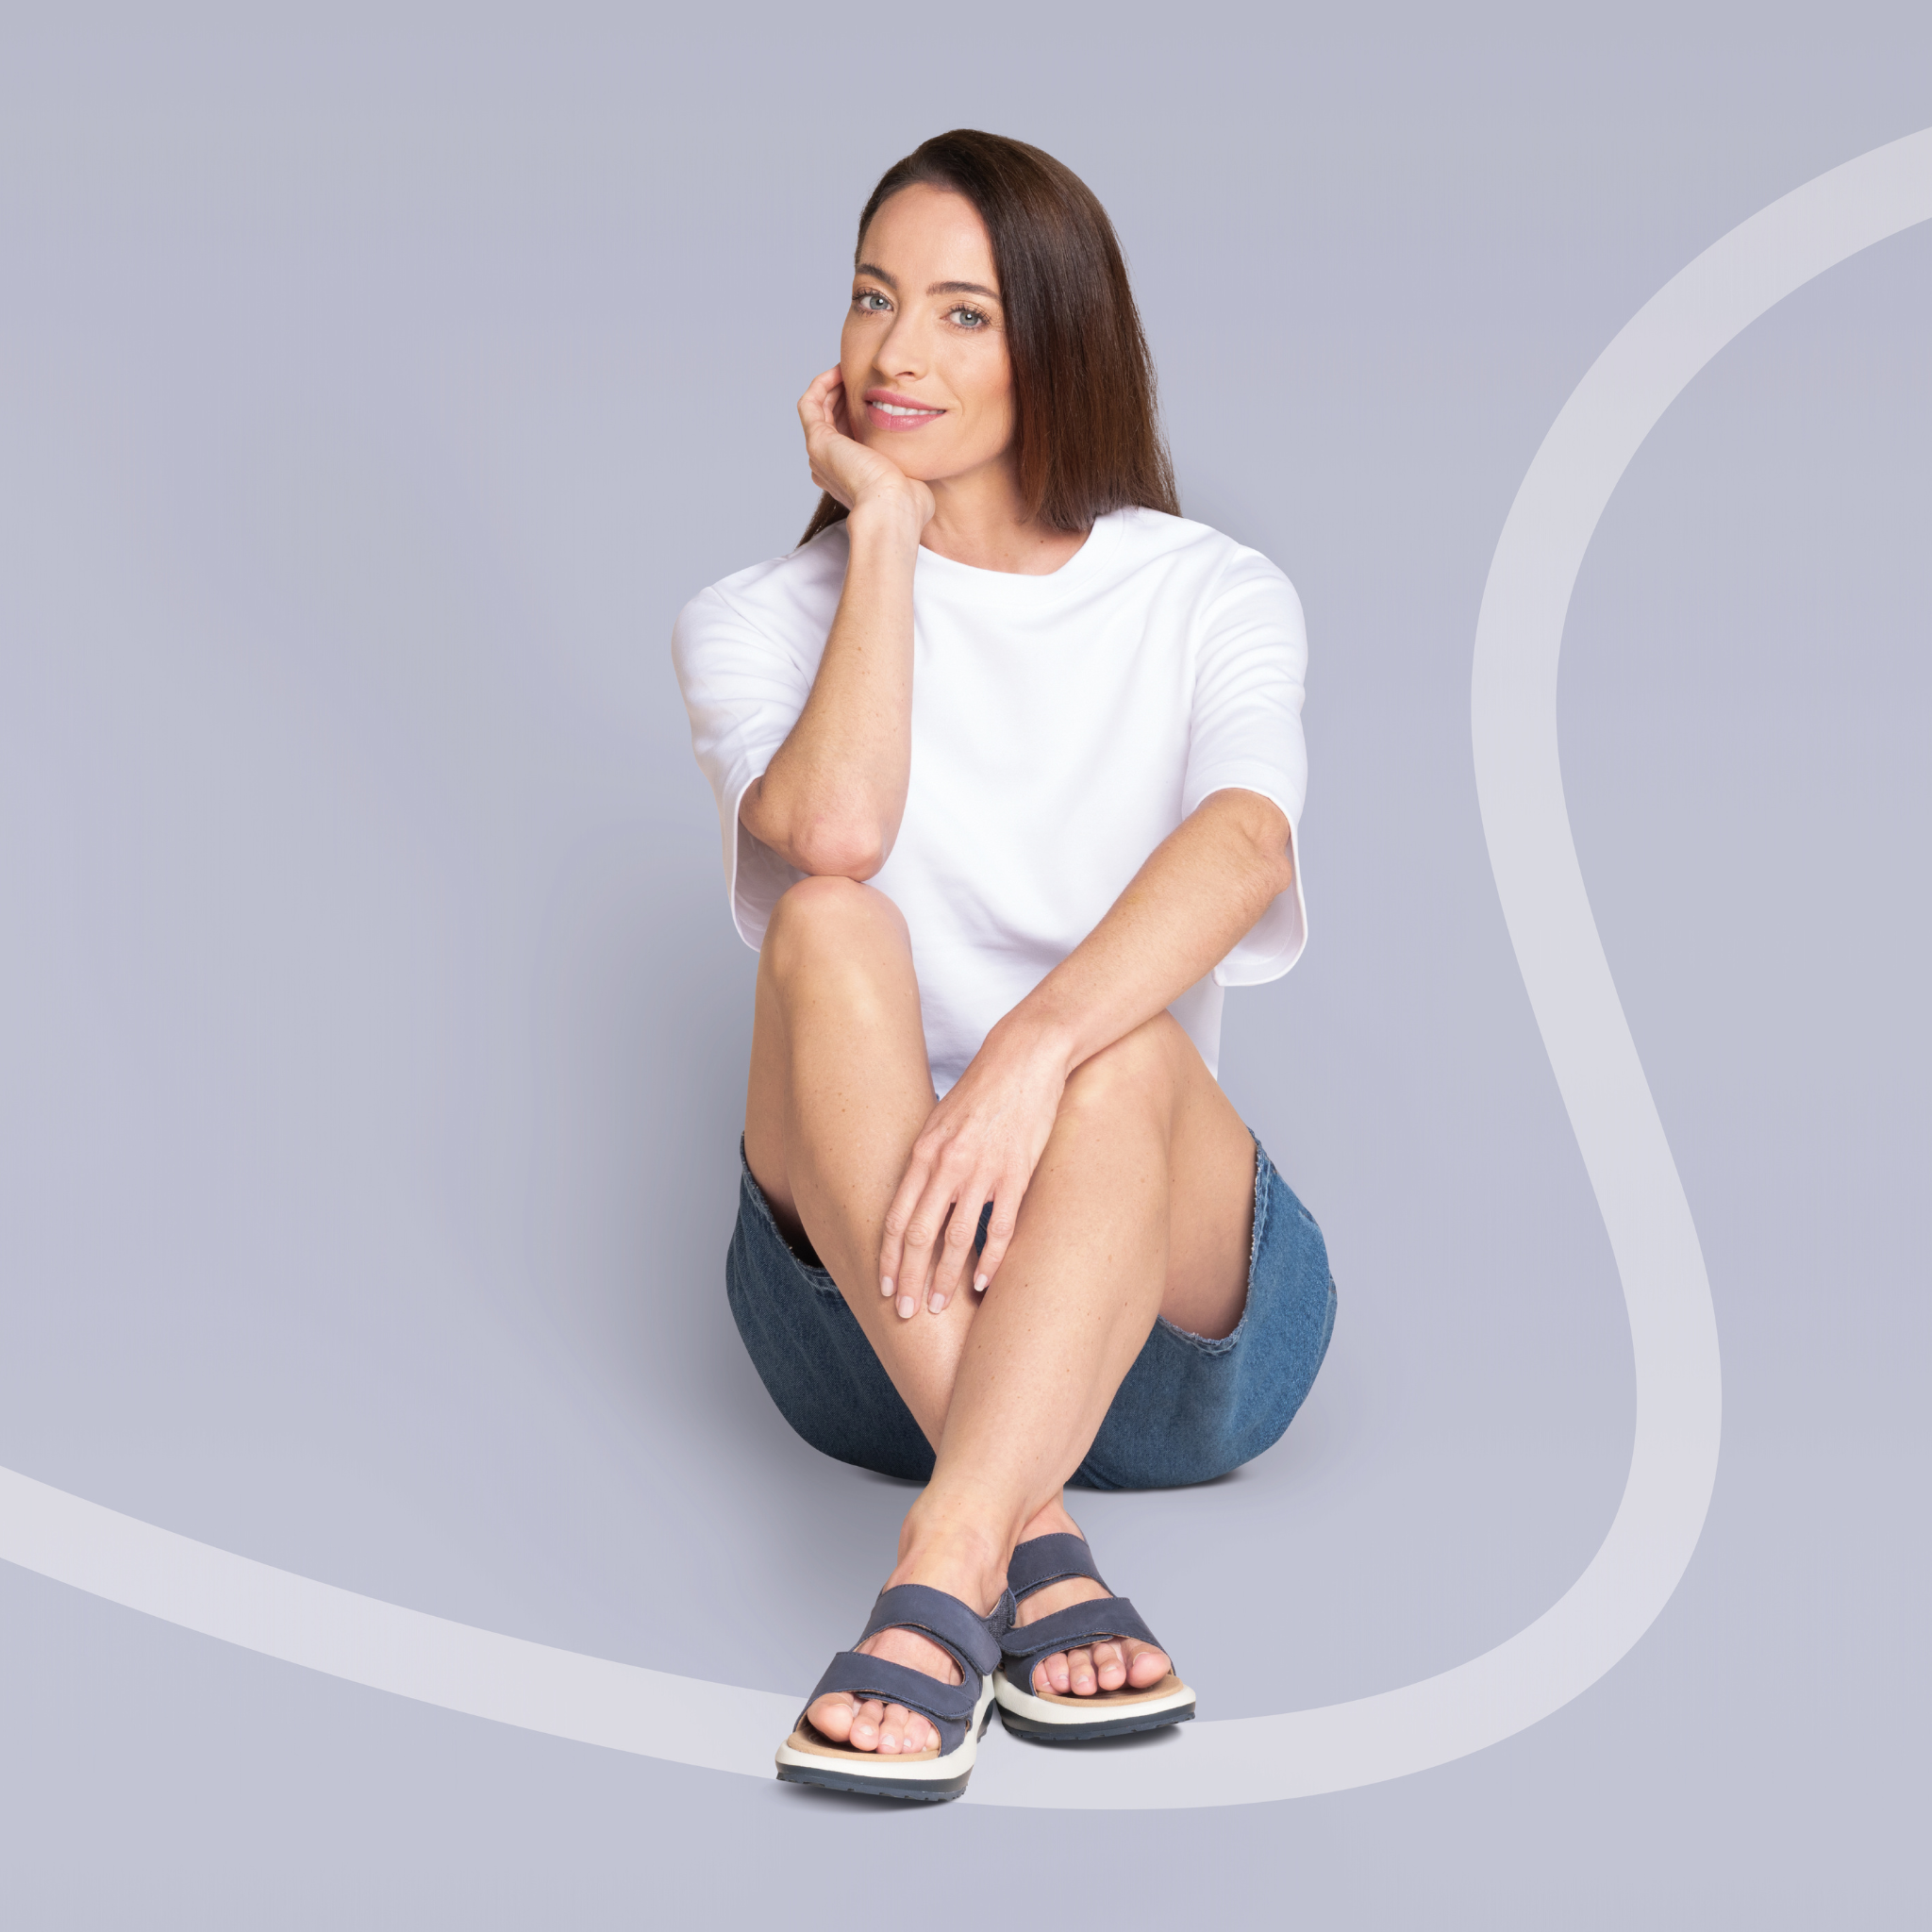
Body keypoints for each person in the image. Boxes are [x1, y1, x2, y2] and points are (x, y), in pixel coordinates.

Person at [673, 129, 1335, 1801]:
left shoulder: (1208, 592)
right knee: (829, 922)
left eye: (965, 314)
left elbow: (1250, 845)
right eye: (875, 298)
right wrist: (882, 538)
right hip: (866, 1334)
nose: (899, 353)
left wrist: (1031, 1058)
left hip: (1161, 1326)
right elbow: (832, 835)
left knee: (1124, 1052)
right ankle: (1018, 1538)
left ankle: (949, 1555)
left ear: (1060, 340)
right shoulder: (753, 620)